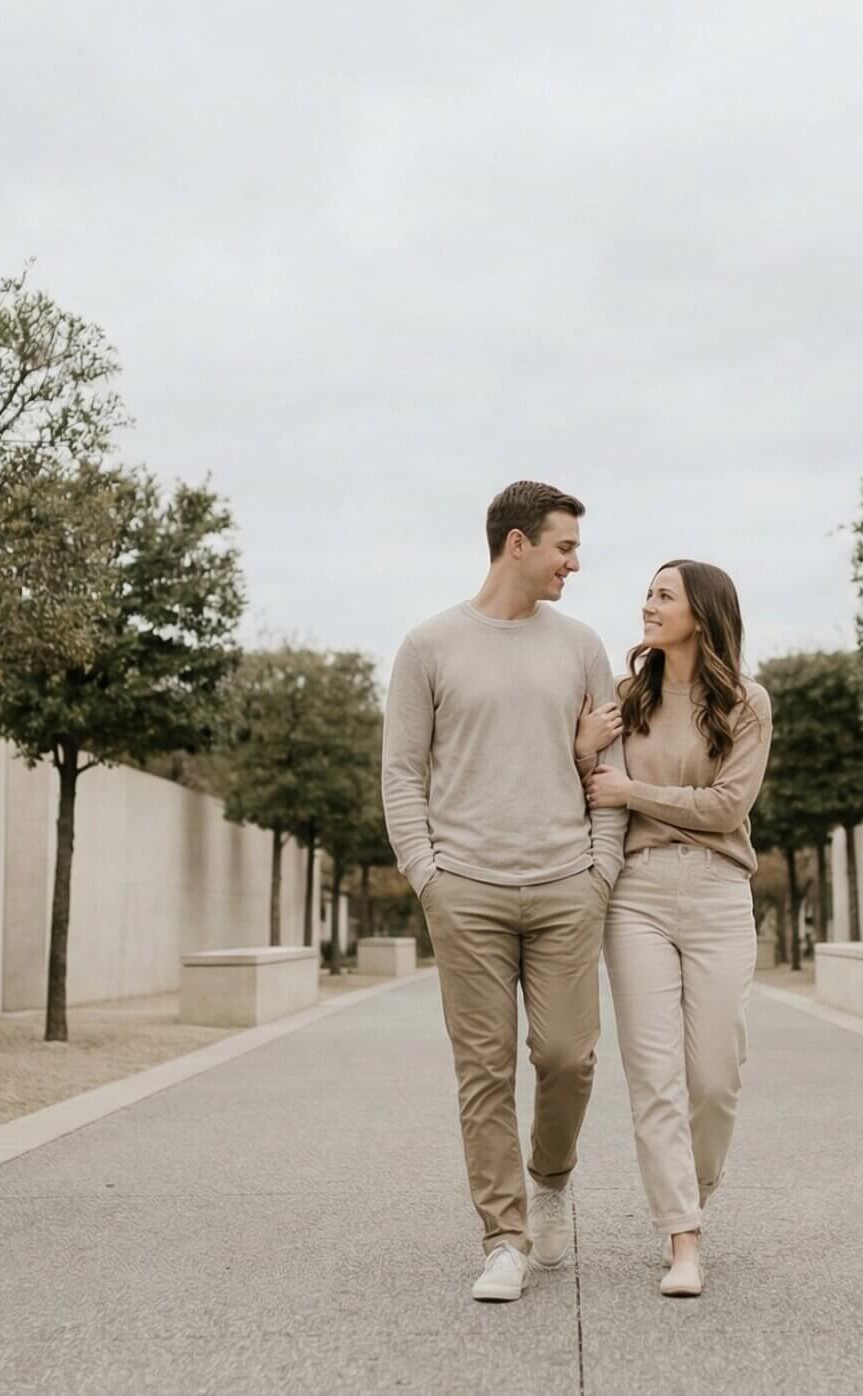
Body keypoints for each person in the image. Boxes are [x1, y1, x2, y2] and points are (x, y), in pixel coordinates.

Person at [380, 481, 629, 1303]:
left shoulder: (584, 646)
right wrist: (429, 877)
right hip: (467, 893)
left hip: (566, 885)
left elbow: (610, 770)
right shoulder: (429, 646)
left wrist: (601, 870)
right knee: (483, 1070)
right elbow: (403, 775)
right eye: (564, 546)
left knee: (568, 1058)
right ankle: (504, 1239)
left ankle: (550, 1179)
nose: (575, 562)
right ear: (516, 544)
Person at [573, 559, 771, 1299]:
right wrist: (588, 748)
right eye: (647, 594)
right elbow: (593, 787)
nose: (648, 606)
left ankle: (691, 1193)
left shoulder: (747, 704)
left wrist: (634, 789)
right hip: (639, 897)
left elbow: (726, 807)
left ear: (703, 613)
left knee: (716, 1078)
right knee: (654, 1076)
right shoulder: (629, 699)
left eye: (664, 596)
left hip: (720, 890)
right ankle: (682, 1236)